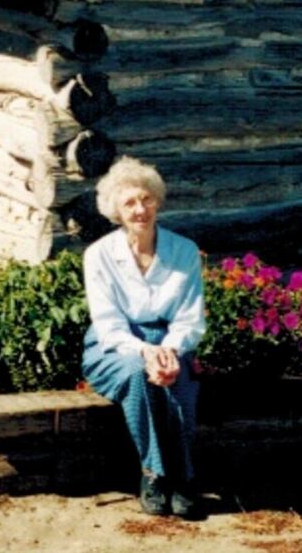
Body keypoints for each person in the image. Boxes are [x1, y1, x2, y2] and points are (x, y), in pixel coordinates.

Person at [81, 156, 206, 519]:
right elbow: (108, 324)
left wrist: (168, 350)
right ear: (116, 210)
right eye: (129, 202)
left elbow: (190, 318)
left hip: (171, 341)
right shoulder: (99, 255)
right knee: (138, 375)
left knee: (178, 383)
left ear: (157, 200)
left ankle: (184, 476)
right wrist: (146, 352)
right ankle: (154, 474)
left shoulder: (182, 250)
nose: (140, 209)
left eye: (146, 199)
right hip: (116, 346)